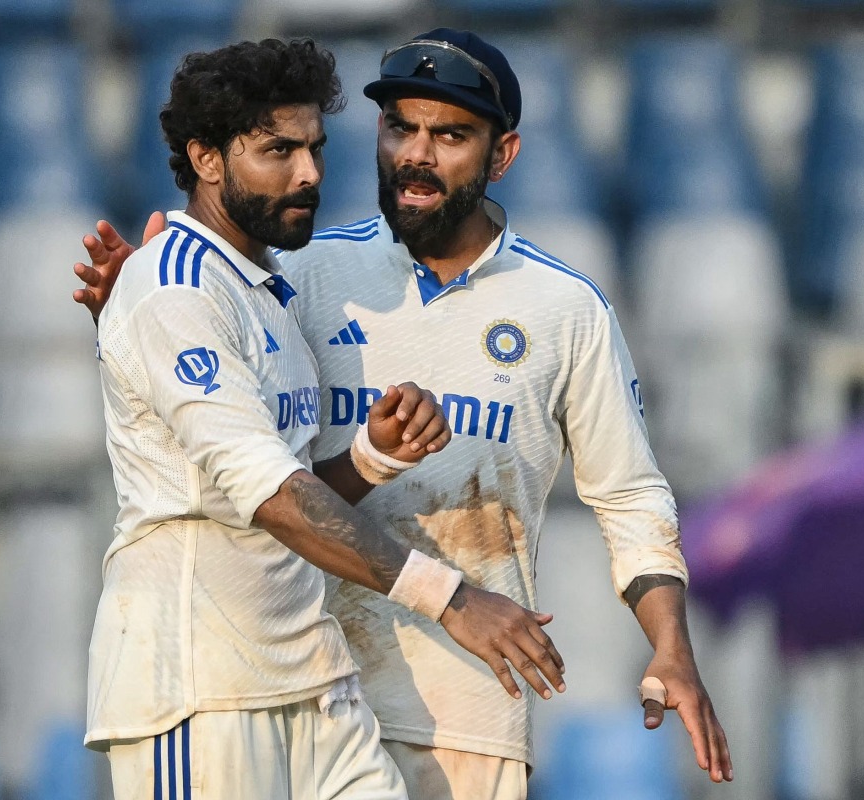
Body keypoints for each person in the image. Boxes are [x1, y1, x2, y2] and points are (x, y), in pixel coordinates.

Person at [75, 30, 732, 799]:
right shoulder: (297, 274)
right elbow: (245, 463)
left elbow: (630, 495)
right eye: (399, 128)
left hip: (466, 701)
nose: (416, 154)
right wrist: (142, 305)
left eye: (450, 136)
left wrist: (672, 647)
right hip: (299, 675)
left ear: (502, 154)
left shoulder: (566, 309)